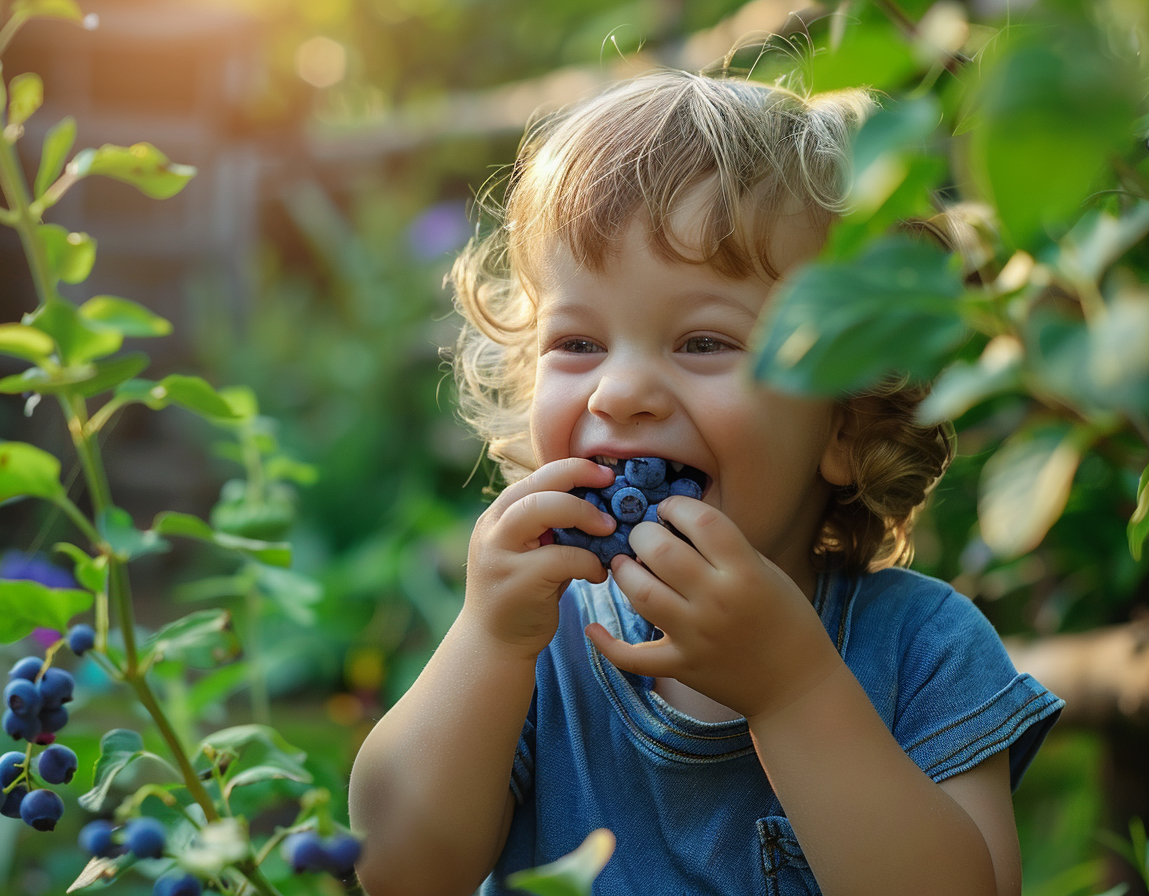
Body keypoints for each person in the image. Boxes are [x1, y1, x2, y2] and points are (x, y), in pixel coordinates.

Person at [346, 69, 1063, 896]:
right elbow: (398, 870)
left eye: (703, 344)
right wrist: (488, 639)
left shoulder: (924, 649)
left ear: (845, 422)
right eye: (577, 343)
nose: (618, 393)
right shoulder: (537, 647)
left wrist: (793, 690)